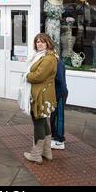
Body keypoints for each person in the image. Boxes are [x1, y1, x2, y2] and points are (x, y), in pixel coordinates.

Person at [24, 33, 58, 164]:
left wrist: (27, 75)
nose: (39, 44)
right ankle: (46, 152)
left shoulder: (49, 58)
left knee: (38, 121)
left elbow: (38, 76)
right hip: (42, 94)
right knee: (43, 122)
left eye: (42, 42)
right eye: (37, 42)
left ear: (48, 43)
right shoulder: (43, 55)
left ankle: (36, 155)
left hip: (41, 95)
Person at [50, 59, 68, 150]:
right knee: (53, 116)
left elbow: (59, 79)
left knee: (59, 117)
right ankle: (54, 135)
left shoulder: (57, 62)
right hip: (54, 93)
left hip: (60, 93)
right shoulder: (52, 60)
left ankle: (59, 140)